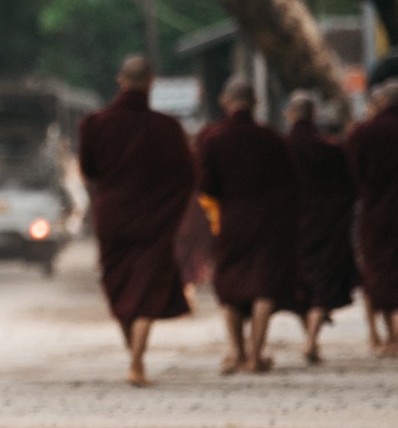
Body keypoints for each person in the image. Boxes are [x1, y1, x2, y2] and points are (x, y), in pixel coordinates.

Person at [77, 56, 197, 386]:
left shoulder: (95, 124)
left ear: (120, 80)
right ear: (151, 82)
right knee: (145, 288)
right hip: (154, 218)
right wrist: (168, 209)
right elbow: (188, 175)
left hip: (112, 215)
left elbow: (89, 171)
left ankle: (134, 355)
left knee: (119, 285)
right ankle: (137, 363)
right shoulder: (168, 128)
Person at [197, 78, 297, 374]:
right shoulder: (273, 139)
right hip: (267, 221)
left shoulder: (213, 139)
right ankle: (256, 356)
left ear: (224, 102)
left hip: (232, 219)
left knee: (230, 284)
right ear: (256, 103)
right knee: (263, 286)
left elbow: (206, 187)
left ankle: (237, 354)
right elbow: (290, 184)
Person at [284, 91, 356, 364]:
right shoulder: (331, 147)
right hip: (326, 222)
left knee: (301, 281)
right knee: (322, 280)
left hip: (292, 224)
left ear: (289, 114)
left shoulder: (281, 147)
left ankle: (310, 339)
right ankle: (311, 341)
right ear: (314, 115)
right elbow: (350, 185)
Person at [347, 80, 398, 357]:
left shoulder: (363, 133)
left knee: (376, 271)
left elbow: (352, 174)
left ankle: (380, 335)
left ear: (379, 103)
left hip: (375, 211)